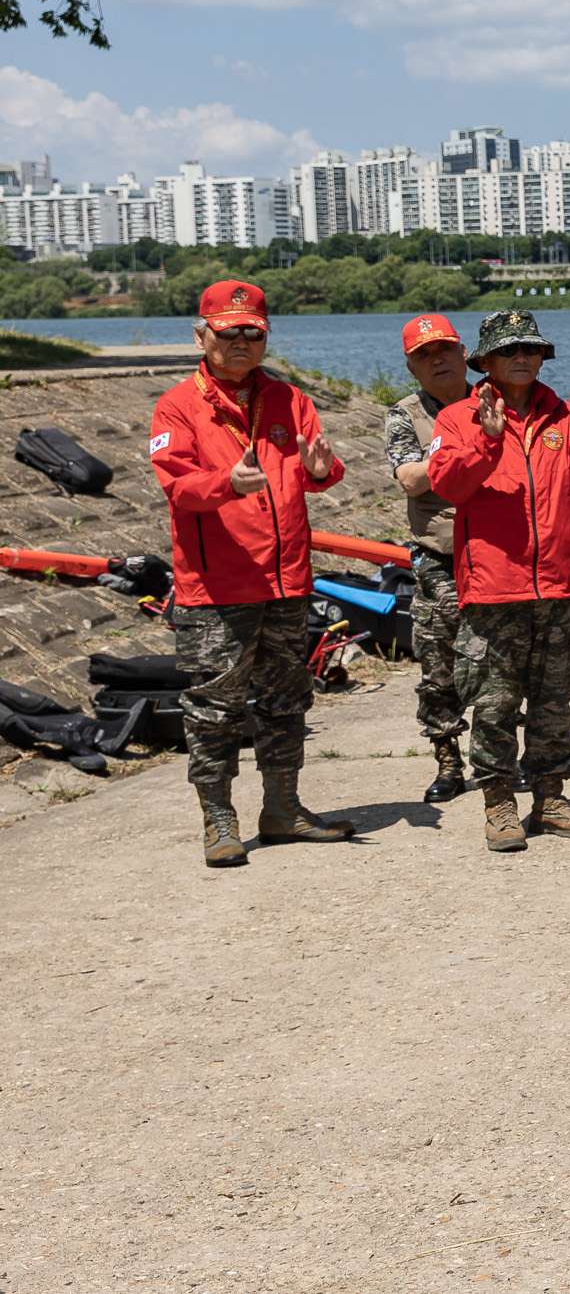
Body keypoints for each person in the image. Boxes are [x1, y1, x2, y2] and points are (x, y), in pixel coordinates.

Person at [149, 280, 351, 868]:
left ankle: (283, 809)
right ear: (201, 334)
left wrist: (324, 469)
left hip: (286, 581)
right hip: (217, 588)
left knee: (287, 700)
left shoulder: (290, 400)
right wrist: (225, 485)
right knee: (213, 709)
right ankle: (218, 818)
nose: (240, 341)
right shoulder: (177, 405)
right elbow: (178, 487)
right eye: (227, 330)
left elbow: (316, 471)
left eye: (252, 332)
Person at [426, 310, 570, 853]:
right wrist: (486, 442)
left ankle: (550, 798)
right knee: (493, 702)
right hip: (493, 587)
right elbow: (448, 486)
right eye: (510, 351)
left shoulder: (562, 412)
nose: (523, 358)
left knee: (555, 699)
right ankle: (499, 803)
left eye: (531, 349)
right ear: (484, 361)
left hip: (555, 584)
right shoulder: (459, 417)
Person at [382, 313, 476, 804]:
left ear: (464, 353)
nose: (437, 360)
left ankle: (499, 756)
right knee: (439, 666)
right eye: (424, 355)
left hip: (500, 553)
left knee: (504, 662)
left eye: (444, 349)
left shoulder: (496, 399)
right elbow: (410, 479)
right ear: (411, 367)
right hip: (440, 559)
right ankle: (447, 760)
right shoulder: (405, 414)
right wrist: (472, 453)